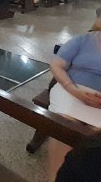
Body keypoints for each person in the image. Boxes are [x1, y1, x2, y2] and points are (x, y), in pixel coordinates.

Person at [47, 22, 101, 180]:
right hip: (70, 90)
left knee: (95, 135)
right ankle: (55, 176)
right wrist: (74, 90)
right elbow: (56, 65)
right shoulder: (83, 40)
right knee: (66, 124)